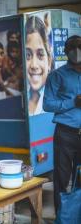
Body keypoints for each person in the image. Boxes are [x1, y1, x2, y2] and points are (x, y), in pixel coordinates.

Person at [43, 35, 81, 213]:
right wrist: (73, 102)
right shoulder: (57, 76)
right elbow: (47, 104)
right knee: (62, 178)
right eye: (72, 48)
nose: (76, 51)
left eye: (79, 46)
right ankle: (62, 216)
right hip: (66, 134)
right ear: (65, 52)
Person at [25, 16, 52, 116]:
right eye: (28, 55)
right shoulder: (19, 97)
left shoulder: (57, 97)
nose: (34, 65)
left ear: (49, 62)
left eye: (40, 55)